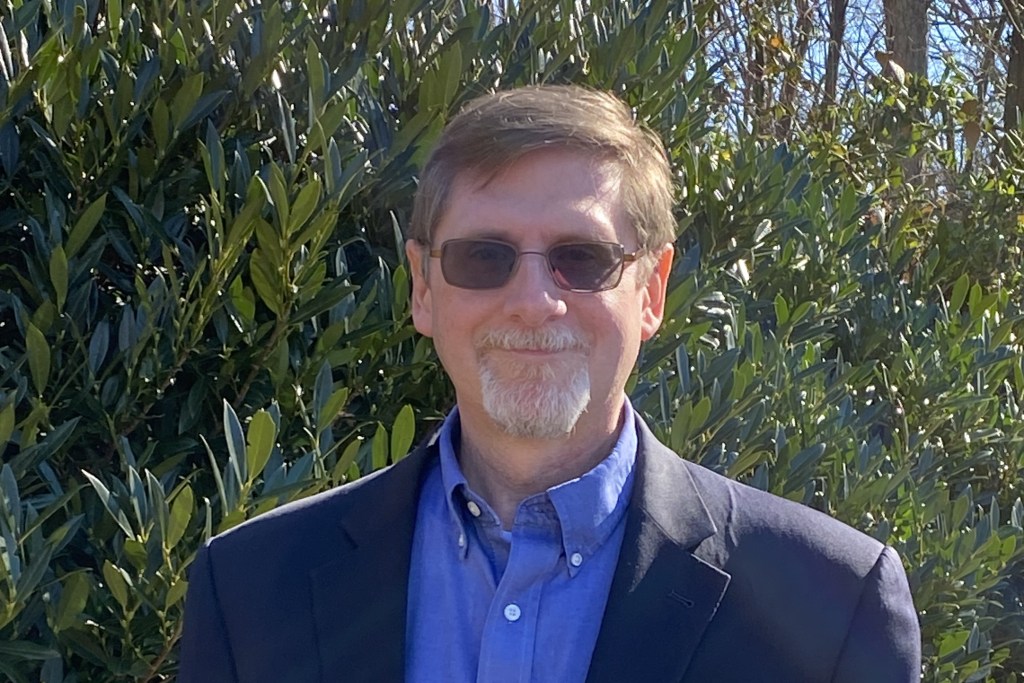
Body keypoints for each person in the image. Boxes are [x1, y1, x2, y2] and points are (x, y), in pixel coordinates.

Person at [178, 85, 921, 682]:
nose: (534, 301)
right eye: (484, 256)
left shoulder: (832, 606)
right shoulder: (249, 588)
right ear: (423, 288)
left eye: (582, 257)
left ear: (652, 289)